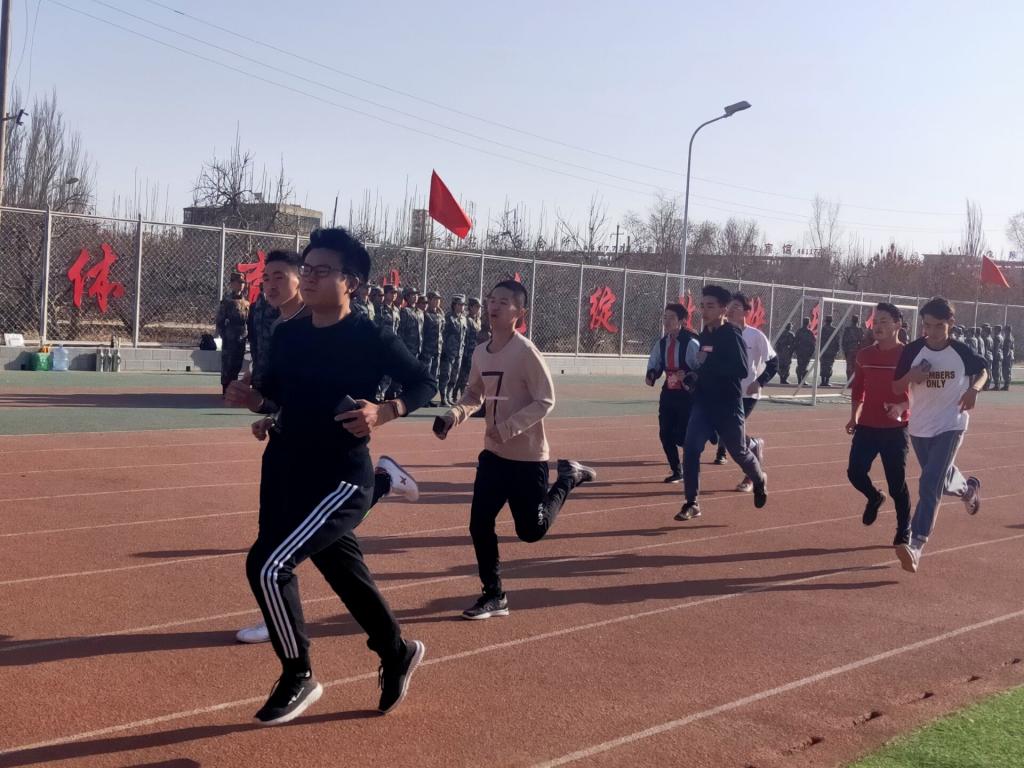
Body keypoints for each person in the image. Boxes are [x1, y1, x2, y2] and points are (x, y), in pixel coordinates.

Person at [225, 228, 435, 723]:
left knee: (268, 564)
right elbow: (281, 395)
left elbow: (423, 382)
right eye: (308, 268)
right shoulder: (289, 334)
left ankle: (297, 673)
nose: (311, 277)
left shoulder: (370, 337)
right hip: (285, 468)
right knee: (344, 573)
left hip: (339, 478)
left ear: (352, 283)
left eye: (323, 270)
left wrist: (385, 410)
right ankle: (396, 650)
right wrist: (258, 405)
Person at [435, 279, 596, 620]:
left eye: (504, 302)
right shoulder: (480, 352)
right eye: (492, 299)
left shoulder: (526, 353)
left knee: (530, 531)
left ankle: (568, 478)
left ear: (520, 313)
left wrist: (508, 428)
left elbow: (546, 400)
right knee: (479, 524)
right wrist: (454, 415)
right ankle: (494, 595)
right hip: (493, 456)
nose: (494, 306)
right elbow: (474, 394)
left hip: (526, 458)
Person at [891, 297, 986, 574]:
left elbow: (983, 371)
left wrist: (974, 390)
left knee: (930, 482)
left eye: (938, 326)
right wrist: (912, 376)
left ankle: (916, 544)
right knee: (940, 480)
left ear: (950, 324)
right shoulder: (912, 350)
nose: (932, 332)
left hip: (951, 424)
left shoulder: (961, 351)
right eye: (927, 326)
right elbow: (896, 387)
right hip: (920, 427)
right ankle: (968, 489)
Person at [677, 285, 768, 521]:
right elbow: (704, 366)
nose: (704, 311)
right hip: (704, 404)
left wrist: (709, 364)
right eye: (702, 306)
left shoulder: (731, 335)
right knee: (691, 449)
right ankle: (692, 502)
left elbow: (740, 369)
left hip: (728, 406)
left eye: (710, 306)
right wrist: (694, 376)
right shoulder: (704, 335)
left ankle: (759, 478)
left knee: (738, 452)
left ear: (723, 310)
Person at [845, 303, 912, 546]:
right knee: (855, 473)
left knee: (896, 484)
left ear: (897, 324)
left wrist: (902, 406)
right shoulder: (864, 355)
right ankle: (874, 497)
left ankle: (904, 528)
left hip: (896, 429)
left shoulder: (908, 355)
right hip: (867, 426)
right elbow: (858, 389)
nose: (878, 326)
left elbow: (920, 392)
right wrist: (854, 416)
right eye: (875, 321)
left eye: (884, 321)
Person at [725, 293, 778, 493]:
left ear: (747, 312)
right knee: (725, 433)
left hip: (747, 393)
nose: (730, 310)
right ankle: (754, 444)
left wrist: (759, 382)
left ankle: (751, 476)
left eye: (736, 307)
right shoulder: (722, 333)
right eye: (729, 306)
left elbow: (774, 363)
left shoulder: (755, 336)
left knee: (733, 435)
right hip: (725, 392)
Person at [646, 303, 699, 483]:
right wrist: (652, 374)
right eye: (665, 317)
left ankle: (708, 434)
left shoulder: (691, 343)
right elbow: (655, 362)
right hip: (669, 391)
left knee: (682, 436)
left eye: (671, 318)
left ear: (682, 321)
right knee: (665, 433)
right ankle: (677, 470)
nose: (667, 321)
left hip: (687, 394)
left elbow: (701, 368)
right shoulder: (662, 343)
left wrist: (689, 375)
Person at [216, 271, 249, 395]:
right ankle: (226, 387)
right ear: (232, 284)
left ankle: (233, 387)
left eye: (242, 283)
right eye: (238, 282)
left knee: (237, 363)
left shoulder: (246, 302)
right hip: (230, 336)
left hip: (242, 335)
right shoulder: (227, 301)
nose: (241, 285)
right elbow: (220, 320)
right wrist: (224, 335)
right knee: (228, 363)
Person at [438, 294, 468, 406]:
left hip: (459, 352)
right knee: (446, 375)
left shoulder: (463, 318)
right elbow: (442, 334)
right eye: (460, 304)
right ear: (454, 305)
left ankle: (449, 396)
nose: (462, 307)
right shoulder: (448, 318)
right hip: (448, 352)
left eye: (463, 305)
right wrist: (444, 350)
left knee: (454, 376)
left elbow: (464, 336)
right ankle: (443, 397)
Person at [454, 297, 482, 402]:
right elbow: (464, 336)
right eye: (476, 307)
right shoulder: (466, 319)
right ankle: (457, 393)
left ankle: (463, 394)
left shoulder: (478, 320)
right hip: (467, 350)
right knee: (462, 373)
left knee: (469, 374)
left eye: (479, 307)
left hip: (475, 350)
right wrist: (465, 351)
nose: (478, 309)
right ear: (470, 307)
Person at [420, 290, 444, 393]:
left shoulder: (440, 314)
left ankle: (429, 394)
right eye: (435, 299)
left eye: (438, 299)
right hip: (427, 349)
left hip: (437, 348)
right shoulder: (425, 314)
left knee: (434, 374)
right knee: (426, 373)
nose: (437, 301)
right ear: (429, 300)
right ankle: (423, 394)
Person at [399, 287, 424, 360]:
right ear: (407, 297)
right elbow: (401, 331)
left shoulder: (420, 312)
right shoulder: (404, 311)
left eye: (416, 295)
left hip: (418, 348)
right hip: (408, 347)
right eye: (413, 295)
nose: (416, 296)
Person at [841, 315, 866, 386]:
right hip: (856, 350)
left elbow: (844, 341)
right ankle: (854, 381)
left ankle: (849, 381)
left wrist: (844, 349)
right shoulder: (859, 330)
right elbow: (862, 341)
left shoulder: (848, 329)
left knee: (849, 366)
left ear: (852, 320)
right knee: (855, 366)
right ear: (857, 321)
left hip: (849, 350)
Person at [819, 315, 840, 387]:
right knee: (829, 366)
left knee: (823, 365)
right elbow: (837, 341)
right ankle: (827, 381)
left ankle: (822, 381)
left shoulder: (822, 329)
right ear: (831, 321)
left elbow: (819, 340)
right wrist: (837, 350)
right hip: (831, 351)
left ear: (825, 321)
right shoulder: (834, 330)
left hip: (823, 350)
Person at [794, 317, 816, 385]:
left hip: (801, 352)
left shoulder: (799, 331)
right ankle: (802, 380)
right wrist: (811, 352)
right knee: (805, 366)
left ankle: (800, 380)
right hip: (806, 353)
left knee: (800, 366)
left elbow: (795, 342)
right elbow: (813, 344)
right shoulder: (810, 332)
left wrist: (796, 350)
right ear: (808, 323)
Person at [980, 324, 994, 389]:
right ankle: (987, 384)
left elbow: (984, 350)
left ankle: (986, 385)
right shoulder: (991, 338)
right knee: (989, 371)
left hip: (987, 356)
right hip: (990, 356)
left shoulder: (986, 339)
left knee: (987, 371)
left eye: (984, 330)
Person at [991, 325, 1004, 391]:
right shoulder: (1001, 337)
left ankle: (997, 385)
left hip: (997, 355)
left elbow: (996, 348)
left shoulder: (997, 337)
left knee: (996, 371)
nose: (994, 331)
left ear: (998, 330)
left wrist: (994, 356)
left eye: (995, 329)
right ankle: (997, 385)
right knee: (998, 370)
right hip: (1000, 355)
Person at [1002, 324, 1014, 391]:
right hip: (1009, 356)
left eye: (1005, 330)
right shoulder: (1009, 337)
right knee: (1006, 371)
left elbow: (1007, 349)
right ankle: (1006, 385)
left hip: (1008, 357)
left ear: (1008, 330)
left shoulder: (1008, 338)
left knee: (1007, 371)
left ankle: (1007, 385)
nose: (1004, 331)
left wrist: (1004, 357)